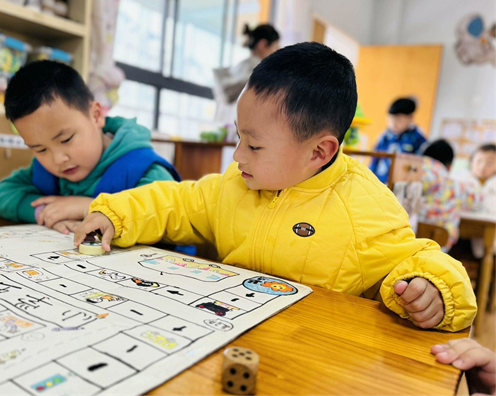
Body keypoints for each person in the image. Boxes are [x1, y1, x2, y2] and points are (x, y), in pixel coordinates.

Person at [74, 42, 476, 332]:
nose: (237, 156)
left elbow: (419, 259)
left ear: (318, 152)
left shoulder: (366, 209)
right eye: (238, 137)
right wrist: (115, 214)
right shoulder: (236, 185)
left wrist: (434, 290)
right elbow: (177, 202)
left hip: (307, 354)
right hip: (220, 330)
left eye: (254, 145)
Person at [0, 60, 179, 234]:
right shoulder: (45, 171)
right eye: (40, 149)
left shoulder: (146, 170)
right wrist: (47, 212)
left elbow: (171, 217)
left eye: (66, 139)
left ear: (96, 116)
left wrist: (90, 208)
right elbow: (2, 195)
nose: (58, 159)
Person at [419, 139, 482, 250]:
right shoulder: (456, 186)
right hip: (436, 246)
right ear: (449, 165)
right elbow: (478, 199)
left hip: (401, 239)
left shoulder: (407, 170)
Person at [212, 24, 280, 126]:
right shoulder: (260, 74)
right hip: (242, 134)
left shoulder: (236, 69)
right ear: (263, 45)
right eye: (276, 48)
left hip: (222, 132)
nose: (276, 54)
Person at [370, 97, 427, 183]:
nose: (394, 123)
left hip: (402, 186)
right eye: (391, 119)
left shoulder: (418, 140)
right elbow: (374, 162)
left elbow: (422, 168)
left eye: (399, 119)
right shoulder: (384, 137)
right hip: (379, 183)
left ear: (410, 118)